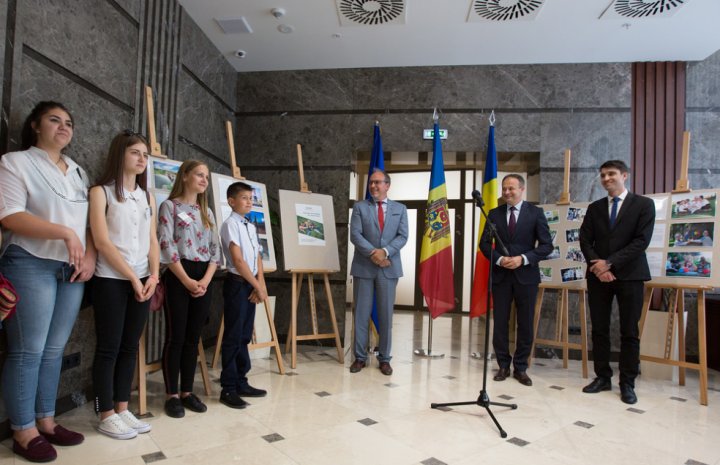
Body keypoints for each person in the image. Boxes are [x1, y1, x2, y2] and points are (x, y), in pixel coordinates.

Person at [0, 101, 96, 462]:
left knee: (55, 349)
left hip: (70, 269)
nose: (63, 127)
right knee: (29, 349)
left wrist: (88, 254)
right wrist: (64, 234)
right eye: (54, 120)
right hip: (30, 262)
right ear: (36, 126)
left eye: (69, 122)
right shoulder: (17, 162)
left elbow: (86, 222)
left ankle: (46, 421)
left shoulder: (77, 171)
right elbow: (9, 215)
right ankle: (22, 430)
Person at [89, 131, 160, 439]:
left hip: (144, 279)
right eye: (135, 152)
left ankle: (122, 406)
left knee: (130, 346)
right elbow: (102, 242)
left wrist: (154, 276)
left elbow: (152, 240)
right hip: (111, 279)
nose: (142, 159)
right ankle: (105, 413)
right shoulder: (100, 192)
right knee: (109, 347)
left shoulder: (147, 197)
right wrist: (133, 277)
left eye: (145, 154)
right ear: (120, 155)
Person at [579, 160, 655, 405]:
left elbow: (641, 242)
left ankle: (627, 383)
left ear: (625, 175)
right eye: (602, 175)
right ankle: (602, 377)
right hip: (598, 276)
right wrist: (597, 266)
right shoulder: (595, 207)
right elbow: (584, 240)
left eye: (611, 174)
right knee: (599, 329)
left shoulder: (643, 205)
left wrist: (609, 263)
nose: (606, 178)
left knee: (629, 331)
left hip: (630, 275)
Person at [157, 160, 221, 418]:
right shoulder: (169, 206)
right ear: (184, 176)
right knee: (177, 337)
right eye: (199, 174)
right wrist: (185, 280)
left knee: (193, 338)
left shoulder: (207, 212)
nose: (204, 180)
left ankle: (187, 391)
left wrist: (205, 280)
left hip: (204, 275)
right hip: (178, 274)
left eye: (206, 176)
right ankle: (172, 394)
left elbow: (215, 251)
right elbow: (166, 245)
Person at [479, 174, 553, 387]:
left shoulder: (535, 213)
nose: (507, 192)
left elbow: (546, 246)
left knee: (525, 323)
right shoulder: (494, 214)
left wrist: (523, 259)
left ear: (522, 189)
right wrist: (501, 260)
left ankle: (521, 367)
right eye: (504, 189)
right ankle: (503, 364)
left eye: (511, 188)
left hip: (526, 277)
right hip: (501, 276)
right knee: (500, 322)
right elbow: (485, 245)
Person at [349, 169, 408, 375]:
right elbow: (355, 235)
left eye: (378, 183)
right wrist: (374, 254)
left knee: (385, 315)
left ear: (387, 185)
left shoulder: (400, 209)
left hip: (388, 269)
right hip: (364, 268)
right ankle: (359, 357)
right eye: (371, 183)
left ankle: (384, 359)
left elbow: (403, 236)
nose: (373, 186)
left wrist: (385, 252)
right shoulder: (359, 207)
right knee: (361, 314)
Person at [218, 182, 268, 409]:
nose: (249, 202)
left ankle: (241, 381)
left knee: (244, 336)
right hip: (238, 284)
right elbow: (238, 260)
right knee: (233, 336)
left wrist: (261, 284)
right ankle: (228, 387)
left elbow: (257, 256)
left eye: (251, 198)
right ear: (231, 201)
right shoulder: (230, 224)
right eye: (244, 198)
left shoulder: (249, 224)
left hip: (251, 283)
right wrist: (255, 285)